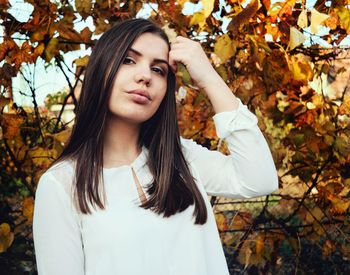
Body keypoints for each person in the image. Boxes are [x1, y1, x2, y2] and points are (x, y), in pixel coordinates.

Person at [33, 18, 278, 275]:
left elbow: (259, 180)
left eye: (159, 70)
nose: (145, 76)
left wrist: (209, 79)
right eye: (128, 60)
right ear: (101, 69)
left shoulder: (182, 158)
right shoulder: (62, 184)